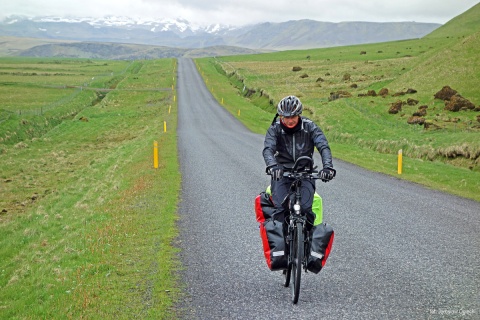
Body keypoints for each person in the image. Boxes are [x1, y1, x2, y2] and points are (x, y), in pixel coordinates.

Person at [263, 95, 335, 228]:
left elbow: (323, 146)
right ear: (280, 116)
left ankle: (307, 244)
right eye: (286, 117)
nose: (290, 120)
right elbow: (268, 149)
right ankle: (282, 246)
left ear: (299, 115)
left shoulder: (310, 127)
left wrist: (328, 167)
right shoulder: (275, 129)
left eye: (293, 117)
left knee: (307, 210)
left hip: (305, 173)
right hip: (281, 174)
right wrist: (273, 166)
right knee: (281, 211)